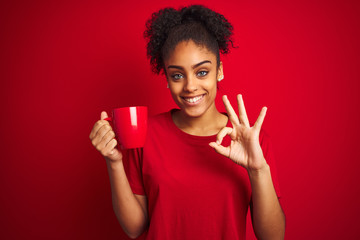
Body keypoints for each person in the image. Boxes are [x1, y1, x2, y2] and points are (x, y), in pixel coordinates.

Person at [89, 5, 285, 240]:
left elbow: (273, 237)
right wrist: (114, 162)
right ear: (167, 78)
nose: (190, 86)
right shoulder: (146, 135)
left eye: (202, 72)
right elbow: (134, 228)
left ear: (219, 71)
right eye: (177, 75)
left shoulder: (252, 141)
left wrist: (257, 170)